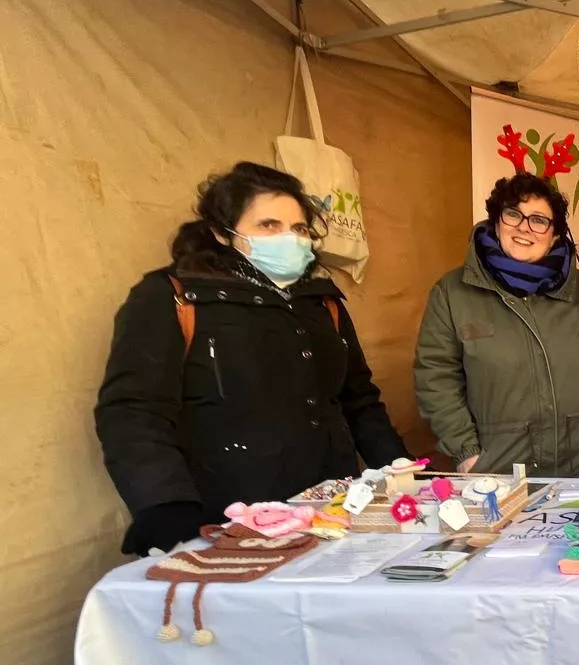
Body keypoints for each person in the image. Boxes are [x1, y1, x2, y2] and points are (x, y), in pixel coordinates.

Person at [95, 161, 408, 554]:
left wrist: (399, 469)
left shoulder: (320, 301)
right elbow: (133, 411)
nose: (289, 239)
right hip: (227, 519)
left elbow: (358, 399)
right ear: (221, 234)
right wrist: (166, 509)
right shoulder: (173, 296)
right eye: (268, 226)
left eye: (299, 228)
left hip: (331, 514)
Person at [414, 172, 579, 478]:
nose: (524, 228)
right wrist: (466, 453)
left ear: (555, 234)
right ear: (496, 221)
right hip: (498, 470)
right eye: (513, 214)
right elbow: (436, 377)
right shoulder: (454, 291)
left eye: (539, 220)